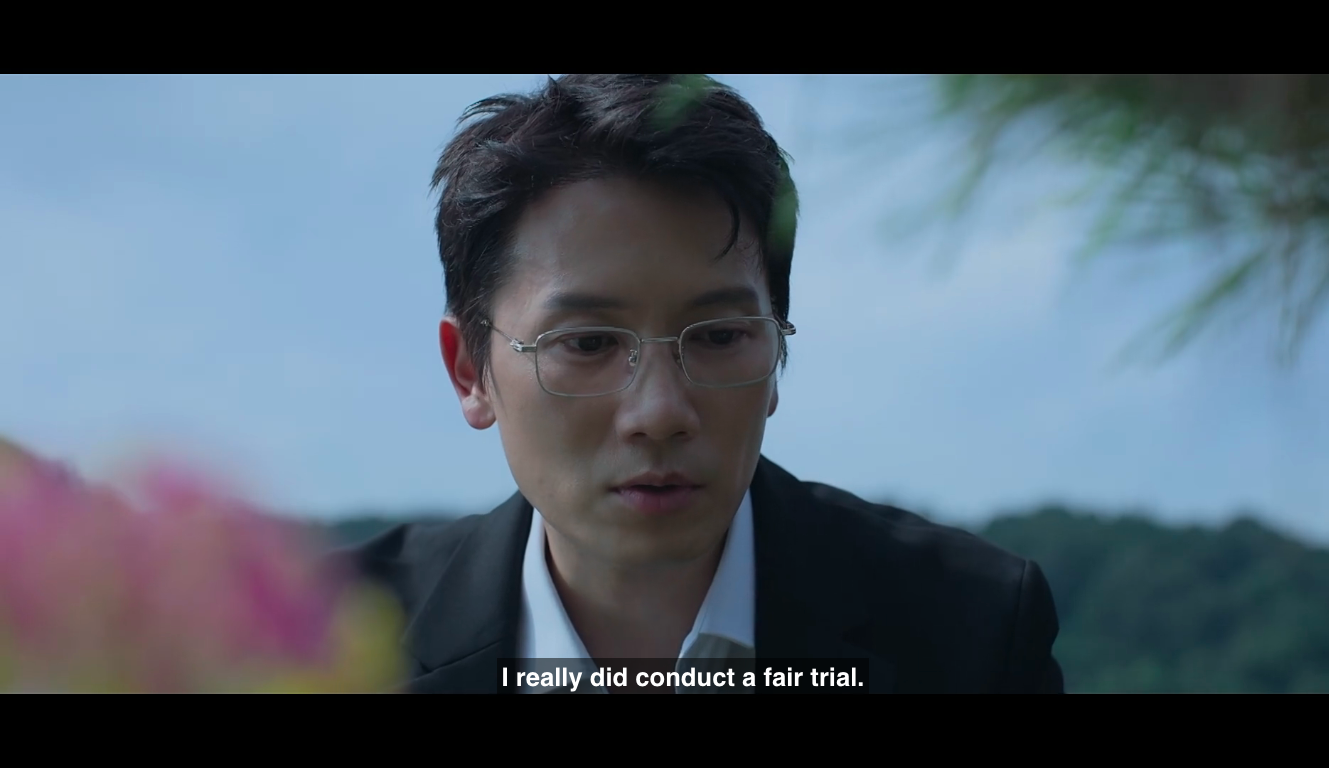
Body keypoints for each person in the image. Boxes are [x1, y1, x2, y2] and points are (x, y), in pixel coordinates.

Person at [345, 74, 1065, 693]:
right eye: (589, 343)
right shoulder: (336, 643)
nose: (660, 412)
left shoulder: (971, 629)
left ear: (776, 347)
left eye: (719, 337)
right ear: (470, 370)